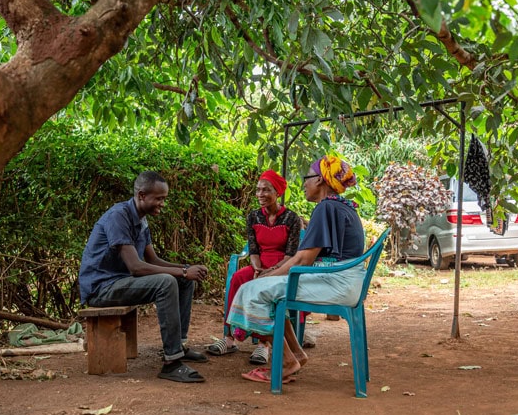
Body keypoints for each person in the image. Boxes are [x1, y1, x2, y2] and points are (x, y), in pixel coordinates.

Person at [225, 155, 365, 383]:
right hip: (345, 282)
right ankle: (296, 353)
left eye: (306, 178)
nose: (304, 184)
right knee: (267, 291)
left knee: (252, 291)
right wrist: (269, 275)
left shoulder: (325, 208)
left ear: (320, 180)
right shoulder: (339, 207)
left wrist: (265, 278)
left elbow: (302, 261)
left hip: (337, 284)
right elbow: (303, 257)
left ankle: (287, 362)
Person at [78, 171, 209, 383]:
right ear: (141, 195)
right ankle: (171, 363)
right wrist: (183, 271)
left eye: (164, 199)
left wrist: (186, 269)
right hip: (101, 288)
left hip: (121, 282)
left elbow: (154, 261)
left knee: (183, 280)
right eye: (159, 199)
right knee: (167, 282)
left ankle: (179, 346)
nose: (162, 204)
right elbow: (136, 267)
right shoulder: (118, 217)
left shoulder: (141, 219)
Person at [206, 170, 301, 365]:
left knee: (266, 289)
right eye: (257, 190)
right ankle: (230, 337)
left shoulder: (291, 218)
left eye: (266, 190)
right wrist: (257, 269)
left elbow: (291, 255)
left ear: (278, 193)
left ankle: (263, 344)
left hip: (283, 267)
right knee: (239, 278)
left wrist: (271, 271)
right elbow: (253, 249)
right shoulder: (253, 217)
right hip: (261, 264)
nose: (260, 194)